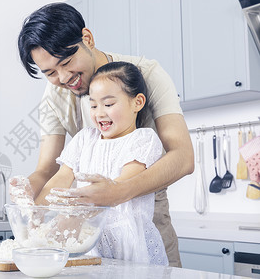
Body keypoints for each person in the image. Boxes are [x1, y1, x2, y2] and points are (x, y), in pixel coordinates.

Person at [13, 2, 194, 267]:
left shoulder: (145, 75)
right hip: (88, 237)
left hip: (144, 224)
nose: (64, 78)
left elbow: (183, 157)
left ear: (87, 38)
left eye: (67, 62)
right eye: (50, 72)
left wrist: (118, 193)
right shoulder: (55, 97)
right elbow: (48, 171)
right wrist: (30, 202)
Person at [35, 61, 168, 265]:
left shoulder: (143, 139)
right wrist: (36, 211)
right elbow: (61, 178)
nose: (99, 113)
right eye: (94, 105)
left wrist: (74, 216)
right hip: (89, 244)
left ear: (137, 103)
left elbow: (122, 184)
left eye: (108, 104)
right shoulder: (84, 139)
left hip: (130, 247)